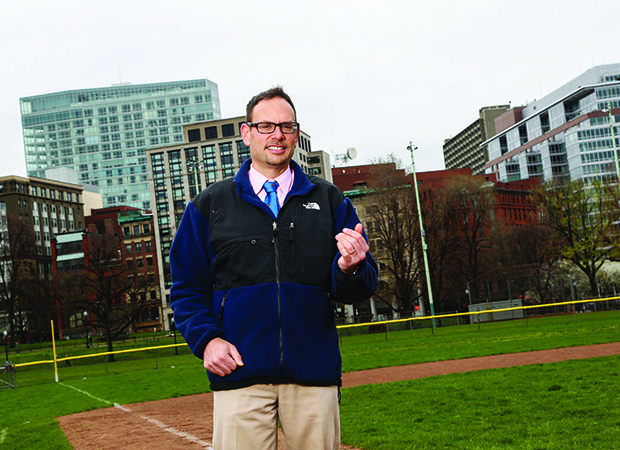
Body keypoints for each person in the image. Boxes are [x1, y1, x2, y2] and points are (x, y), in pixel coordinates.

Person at [170, 86, 378, 449]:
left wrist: (351, 267)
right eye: (266, 126)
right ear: (247, 133)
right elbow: (187, 287)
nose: (277, 135)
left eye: (286, 126)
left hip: (313, 375)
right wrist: (207, 341)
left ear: (296, 134)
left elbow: (359, 290)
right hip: (239, 372)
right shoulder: (209, 205)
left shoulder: (329, 200)